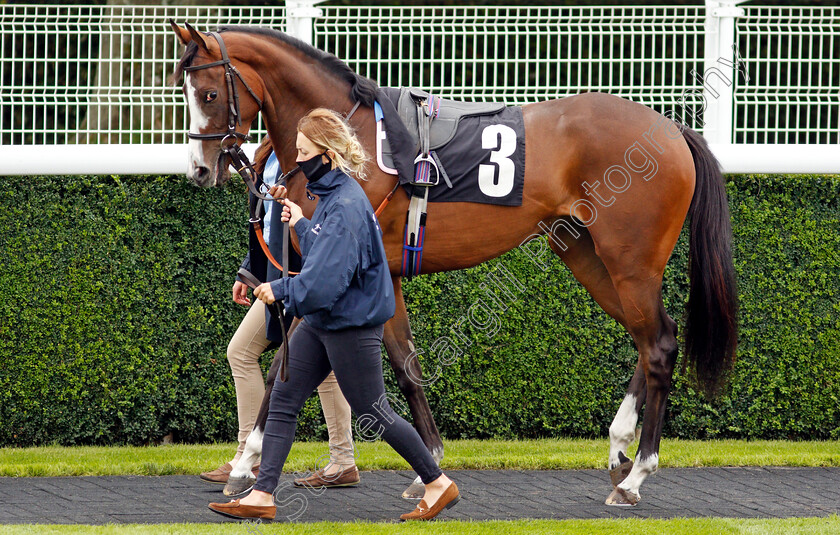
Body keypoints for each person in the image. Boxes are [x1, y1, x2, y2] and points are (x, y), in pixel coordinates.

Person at [208, 108, 459, 522]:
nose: (298, 160)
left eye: (304, 152)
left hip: (349, 324)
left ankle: (437, 483)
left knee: (373, 411)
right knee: (285, 397)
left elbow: (324, 281)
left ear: (326, 155)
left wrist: (278, 288)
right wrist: (303, 224)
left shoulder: (344, 205)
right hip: (326, 319)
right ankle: (263, 494)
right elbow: (328, 252)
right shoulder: (331, 198)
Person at [200, 136, 361, 489]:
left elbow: (326, 225)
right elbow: (265, 220)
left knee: (317, 365)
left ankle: (333, 461)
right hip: (275, 277)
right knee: (243, 352)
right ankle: (334, 460)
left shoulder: (313, 161)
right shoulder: (268, 152)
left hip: (303, 279)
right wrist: (249, 271)